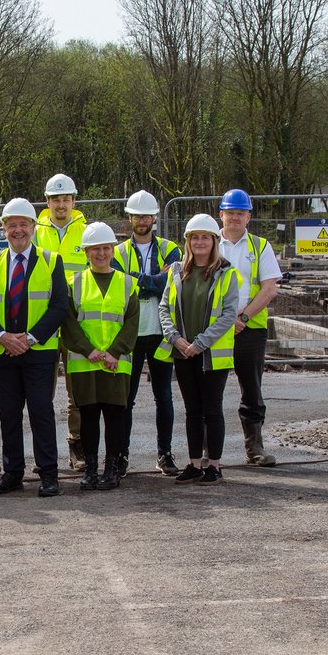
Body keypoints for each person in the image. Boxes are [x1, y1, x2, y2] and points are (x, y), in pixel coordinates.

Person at [0, 198, 69, 498]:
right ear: (3, 229)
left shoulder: (51, 259)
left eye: (23, 224)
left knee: (42, 412)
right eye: (11, 225)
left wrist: (28, 339)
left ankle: (49, 474)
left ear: (33, 227)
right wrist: (2, 337)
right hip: (2, 353)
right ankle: (12, 474)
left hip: (39, 353)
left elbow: (58, 307)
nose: (18, 230)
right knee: (9, 415)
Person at [157, 213, 242, 485]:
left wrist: (200, 343)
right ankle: (194, 464)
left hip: (211, 354)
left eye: (205, 237)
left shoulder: (227, 273)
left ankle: (214, 465)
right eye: (195, 237)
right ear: (188, 242)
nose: (200, 242)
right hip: (183, 352)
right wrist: (176, 339)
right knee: (192, 409)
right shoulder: (176, 271)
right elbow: (164, 309)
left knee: (212, 409)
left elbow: (229, 315)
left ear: (214, 241)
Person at [62, 222, 139, 491]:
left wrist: (115, 352)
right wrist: (89, 350)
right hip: (85, 362)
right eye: (95, 249)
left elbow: (131, 323)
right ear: (86, 252)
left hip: (116, 363)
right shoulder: (74, 283)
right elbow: (69, 323)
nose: (101, 254)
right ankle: (91, 469)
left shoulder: (128, 283)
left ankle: (112, 469)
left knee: (116, 415)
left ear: (113, 250)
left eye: (106, 248)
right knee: (90, 416)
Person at [114, 190, 182, 477]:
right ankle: (121, 455)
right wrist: (155, 280)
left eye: (147, 215)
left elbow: (173, 279)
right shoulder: (117, 252)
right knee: (125, 399)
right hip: (130, 334)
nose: (142, 220)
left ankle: (164, 453)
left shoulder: (171, 249)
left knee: (163, 396)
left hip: (162, 332)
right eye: (137, 215)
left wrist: (140, 281)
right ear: (129, 218)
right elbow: (121, 283)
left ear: (154, 217)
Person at [218, 189, 279, 467]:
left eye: (240, 213)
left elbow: (269, 288)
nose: (234, 218)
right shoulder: (210, 242)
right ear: (221, 214)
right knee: (209, 390)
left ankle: (255, 448)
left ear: (248, 217)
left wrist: (242, 318)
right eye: (230, 212)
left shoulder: (260, 246)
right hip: (215, 329)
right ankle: (208, 452)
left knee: (251, 389)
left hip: (250, 328)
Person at [32, 173, 89, 471]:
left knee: (76, 390)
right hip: (43, 320)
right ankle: (45, 454)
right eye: (56, 199)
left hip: (77, 320)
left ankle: (76, 445)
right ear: (47, 201)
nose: (61, 205)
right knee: (43, 391)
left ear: (73, 201)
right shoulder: (34, 232)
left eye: (66, 199)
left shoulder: (87, 232)